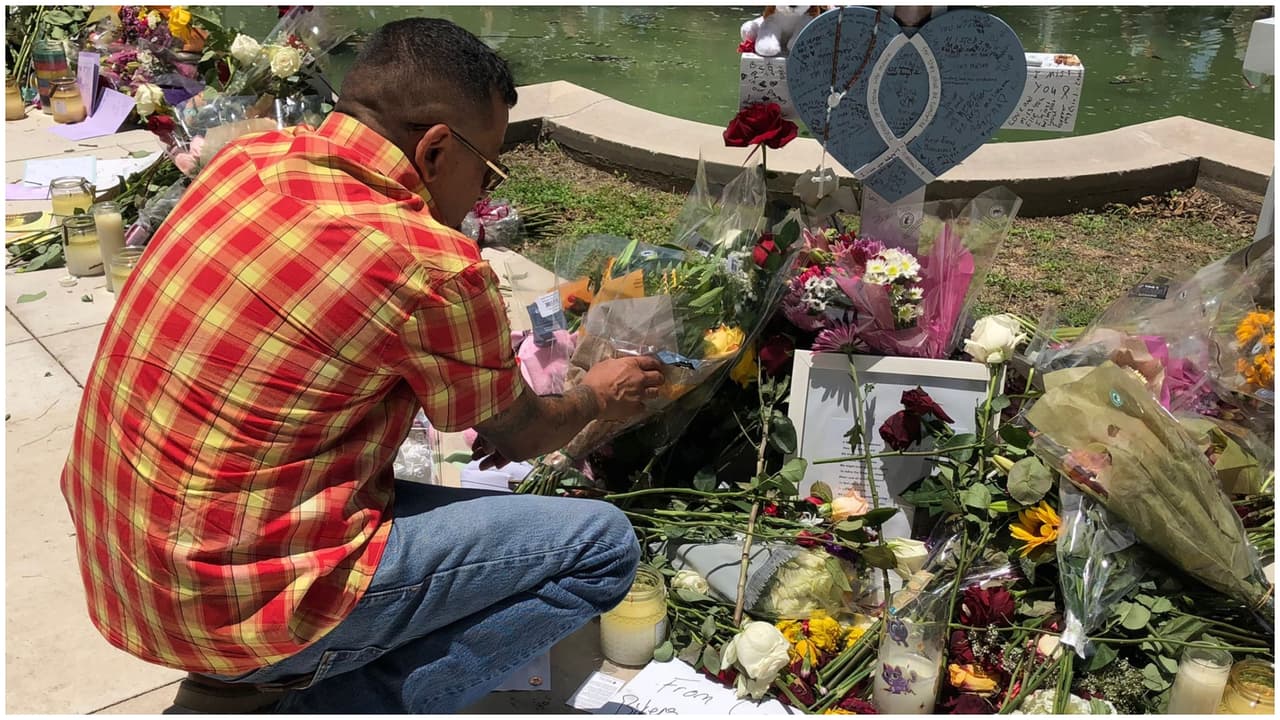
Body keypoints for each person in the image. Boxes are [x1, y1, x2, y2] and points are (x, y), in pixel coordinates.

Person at [59, 17, 664, 714]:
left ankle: (241, 680)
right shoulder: (428, 262)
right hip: (232, 602)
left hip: (123, 568)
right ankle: (316, 698)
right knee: (602, 549)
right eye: (488, 168)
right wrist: (595, 395)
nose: (481, 192)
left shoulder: (245, 161)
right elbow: (526, 433)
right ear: (436, 150)